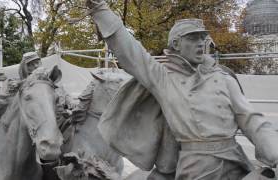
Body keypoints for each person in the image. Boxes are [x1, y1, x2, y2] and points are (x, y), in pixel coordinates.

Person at [85, 1, 278, 179]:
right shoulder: (164, 79)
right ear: (176, 44)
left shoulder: (223, 78)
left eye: (203, 38)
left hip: (237, 163)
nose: (201, 43)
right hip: (196, 168)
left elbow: (253, 120)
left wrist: (274, 151)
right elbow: (129, 50)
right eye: (193, 38)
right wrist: (99, 7)